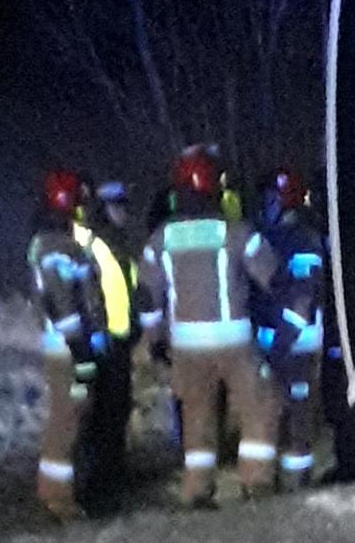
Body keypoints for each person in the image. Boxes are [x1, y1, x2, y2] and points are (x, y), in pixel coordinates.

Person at [140, 147, 279, 507]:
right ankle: (257, 481)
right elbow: (272, 276)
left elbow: (147, 298)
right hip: (234, 340)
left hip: (186, 346)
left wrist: (156, 341)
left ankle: (197, 489)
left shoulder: (159, 240)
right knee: (258, 405)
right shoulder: (235, 232)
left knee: (197, 415)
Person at [25, 169, 143, 521]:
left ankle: (61, 493)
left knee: (75, 419)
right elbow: (63, 304)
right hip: (67, 350)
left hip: (75, 345)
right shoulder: (54, 245)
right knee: (67, 422)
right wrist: (81, 350)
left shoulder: (59, 242)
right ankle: (57, 499)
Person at [245, 166, 330, 490]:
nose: (265, 204)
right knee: (273, 414)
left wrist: (283, 338)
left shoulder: (306, 241)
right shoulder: (268, 237)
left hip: (298, 345)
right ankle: (273, 480)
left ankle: (297, 481)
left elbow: (305, 296)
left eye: (271, 198)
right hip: (274, 342)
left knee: (298, 418)